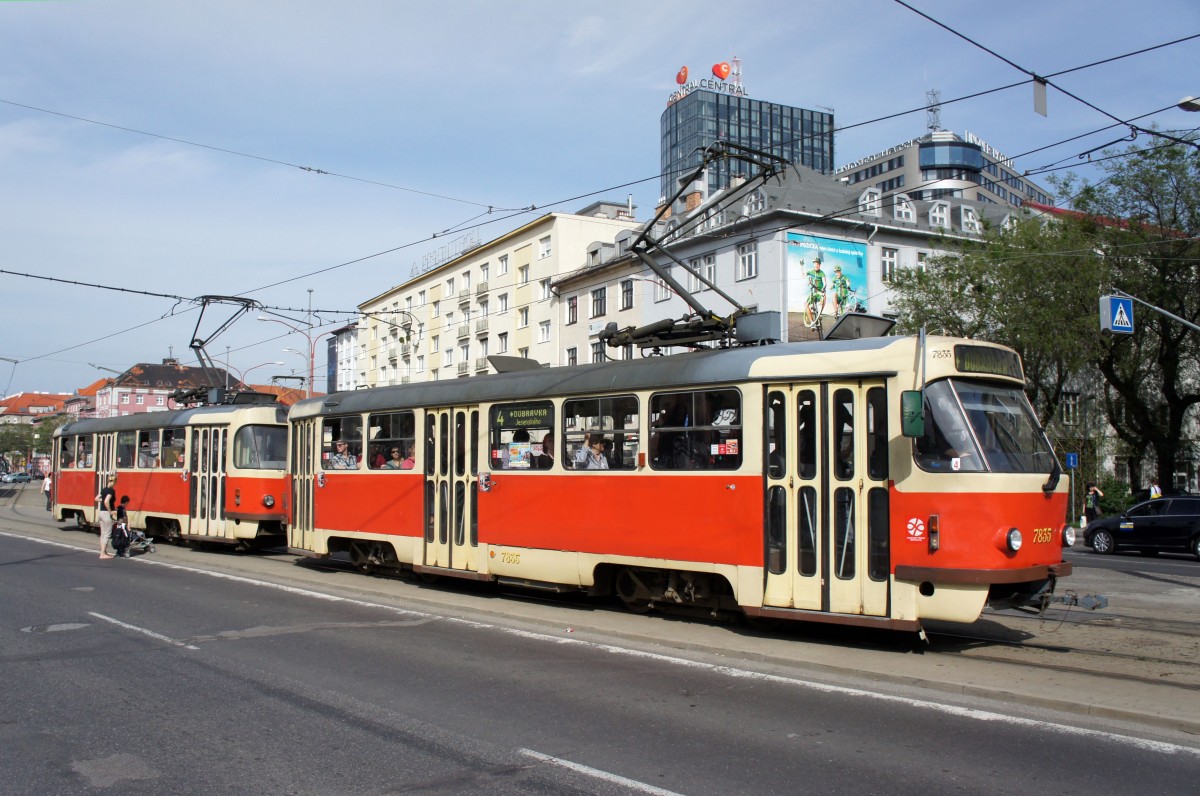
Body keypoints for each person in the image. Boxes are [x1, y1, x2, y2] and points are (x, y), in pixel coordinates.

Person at [96, 475, 117, 559]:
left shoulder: (104, 489)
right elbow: (106, 501)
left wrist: (107, 501)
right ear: (114, 481)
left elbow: (96, 498)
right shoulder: (111, 490)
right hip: (106, 514)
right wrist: (110, 511)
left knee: (103, 534)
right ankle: (102, 554)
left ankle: (104, 552)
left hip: (101, 513)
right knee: (107, 534)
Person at [805, 257, 827, 324]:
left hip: (819, 292)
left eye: (817, 264)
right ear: (813, 264)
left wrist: (824, 288)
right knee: (805, 304)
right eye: (815, 263)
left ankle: (820, 313)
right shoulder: (810, 271)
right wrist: (801, 266)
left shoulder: (822, 273)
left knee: (824, 297)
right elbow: (803, 275)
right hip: (813, 293)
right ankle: (812, 322)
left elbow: (825, 282)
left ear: (819, 265)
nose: (816, 265)